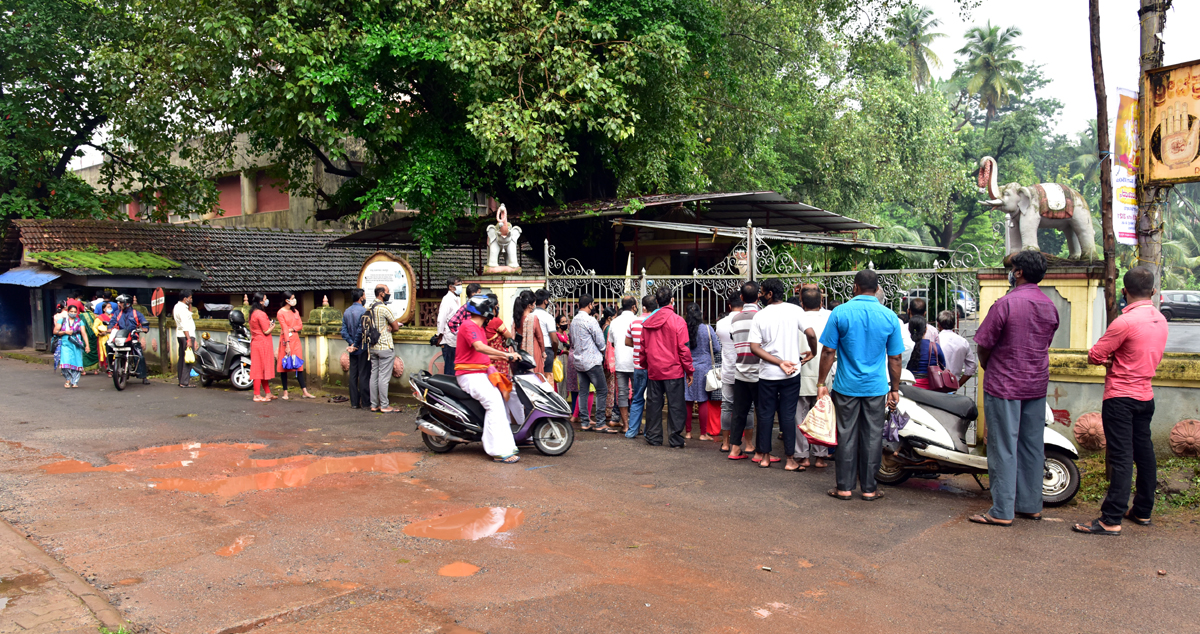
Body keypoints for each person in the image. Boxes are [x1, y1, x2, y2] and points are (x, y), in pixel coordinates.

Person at [1074, 266, 1168, 536]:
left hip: (1120, 398)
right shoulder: (1160, 319)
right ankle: (1142, 510)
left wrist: (1110, 361)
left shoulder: (1124, 322)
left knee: (1122, 457)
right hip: (1145, 396)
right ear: (1153, 291)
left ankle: (1111, 518)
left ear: (1124, 291)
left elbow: (1095, 355)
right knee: (1145, 454)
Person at [969, 251, 1059, 526]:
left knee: (1003, 447)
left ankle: (1002, 511)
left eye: (1012, 268)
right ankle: (1030, 505)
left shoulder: (1005, 304)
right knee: (1032, 446)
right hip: (1036, 384)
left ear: (1018, 273)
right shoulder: (1049, 306)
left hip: (1005, 384)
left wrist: (989, 365)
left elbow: (984, 344)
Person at [817, 269, 904, 501]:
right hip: (876, 388)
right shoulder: (889, 316)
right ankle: (869, 489)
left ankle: (844, 488)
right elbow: (895, 357)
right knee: (873, 436)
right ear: (877, 289)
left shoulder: (840, 312)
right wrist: (894, 389)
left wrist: (821, 382)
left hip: (846, 386)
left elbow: (828, 351)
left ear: (855, 287)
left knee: (846, 434)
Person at [749, 278, 817, 471]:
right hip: (792, 373)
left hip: (767, 375)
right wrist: (813, 352)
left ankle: (765, 457)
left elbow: (754, 347)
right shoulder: (795, 310)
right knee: (788, 415)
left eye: (762, 292)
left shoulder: (760, 316)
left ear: (770, 294)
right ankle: (790, 460)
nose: (760, 295)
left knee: (765, 415)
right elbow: (811, 334)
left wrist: (778, 362)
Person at [455, 295, 525, 463]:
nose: (494, 310)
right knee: (494, 404)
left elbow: (482, 355)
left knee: (502, 401)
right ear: (484, 310)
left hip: (480, 374)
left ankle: (507, 445)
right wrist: (505, 355)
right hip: (469, 375)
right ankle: (497, 450)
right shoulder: (468, 326)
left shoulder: (479, 328)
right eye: (492, 307)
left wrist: (506, 356)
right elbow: (479, 347)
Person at [641, 286, 693, 448]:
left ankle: (654, 437)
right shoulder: (678, 321)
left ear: (657, 301)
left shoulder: (647, 322)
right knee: (676, 405)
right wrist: (689, 370)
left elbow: (642, 348)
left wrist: (645, 365)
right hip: (673, 370)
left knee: (654, 405)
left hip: (654, 369)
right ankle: (675, 438)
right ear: (672, 300)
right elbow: (683, 348)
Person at [795, 286, 832, 468]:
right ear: (821, 302)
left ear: (801, 302)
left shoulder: (796, 318)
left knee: (800, 417)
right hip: (823, 374)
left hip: (801, 372)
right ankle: (820, 456)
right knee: (821, 416)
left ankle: (803, 456)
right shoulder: (830, 317)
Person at [727, 282, 761, 460]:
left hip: (740, 371)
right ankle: (761, 452)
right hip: (760, 372)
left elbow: (734, 340)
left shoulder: (735, 319)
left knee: (739, 412)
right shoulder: (762, 316)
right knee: (763, 413)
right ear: (759, 296)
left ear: (741, 297)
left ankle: (734, 449)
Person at [569, 294, 612, 432]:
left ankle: (585, 422)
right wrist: (604, 352)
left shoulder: (574, 320)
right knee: (602, 390)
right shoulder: (590, 320)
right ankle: (600, 423)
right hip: (592, 361)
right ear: (589, 305)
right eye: (593, 304)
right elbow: (600, 342)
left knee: (583, 391)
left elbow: (571, 340)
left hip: (579, 360)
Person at [683, 302, 721, 441]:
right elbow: (716, 348)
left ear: (686, 314)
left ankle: (688, 433)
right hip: (704, 368)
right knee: (702, 401)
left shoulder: (683, 329)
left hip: (688, 368)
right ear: (700, 313)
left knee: (688, 400)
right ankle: (703, 434)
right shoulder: (707, 328)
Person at [624, 294, 655, 438]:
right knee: (653, 400)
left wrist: (638, 346)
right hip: (653, 367)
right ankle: (649, 431)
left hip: (638, 366)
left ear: (643, 307)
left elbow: (627, 342)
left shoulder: (634, 322)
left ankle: (631, 431)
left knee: (637, 398)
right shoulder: (656, 321)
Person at [275, 291, 315, 399]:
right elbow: (284, 328)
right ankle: (285, 392)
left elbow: (300, 325)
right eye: (292, 298)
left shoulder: (295, 311)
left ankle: (304, 391)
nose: (294, 300)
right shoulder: (280, 313)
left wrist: (292, 329)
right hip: (285, 341)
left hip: (295, 340)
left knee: (298, 365)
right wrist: (287, 345)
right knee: (284, 366)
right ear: (286, 300)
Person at [368, 285, 401, 413]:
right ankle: (384, 405)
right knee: (383, 378)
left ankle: (374, 404)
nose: (389, 293)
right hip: (385, 347)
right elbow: (396, 327)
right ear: (381, 293)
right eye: (387, 292)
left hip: (372, 346)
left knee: (374, 376)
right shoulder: (384, 308)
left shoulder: (369, 307)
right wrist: (391, 327)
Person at [715, 292, 741, 452]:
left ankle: (725, 443)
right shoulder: (750, 320)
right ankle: (749, 443)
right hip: (746, 369)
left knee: (726, 406)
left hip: (728, 370)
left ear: (729, 306)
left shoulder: (721, 324)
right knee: (748, 408)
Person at [339, 289, 372, 409]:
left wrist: (351, 343)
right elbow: (361, 330)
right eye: (364, 295)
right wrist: (356, 344)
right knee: (363, 374)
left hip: (352, 348)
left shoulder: (347, 311)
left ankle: (354, 402)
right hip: (362, 347)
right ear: (361, 297)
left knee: (353, 375)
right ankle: (365, 402)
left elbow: (343, 331)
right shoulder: (364, 311)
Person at [610, 296, 638, 433]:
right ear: (633, 307)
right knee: (637, 394)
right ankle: (634, 425)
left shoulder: (614, 322)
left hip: (620, 362)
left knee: (622, 393)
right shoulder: (637, 320)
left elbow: (612, 343)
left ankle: (626, 425)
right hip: (636, 362)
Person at [112, 295, 151, 384]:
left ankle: (143, 376)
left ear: (127, 303)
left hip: (133, 338)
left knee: (139, 355)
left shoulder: (136, 313)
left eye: (121, 302)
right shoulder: (117, 313)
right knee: (108, 346)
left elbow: (143, 322)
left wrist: (145, 328)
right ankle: (110, 366)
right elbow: (112, 322)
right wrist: (109, 328)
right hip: (121, 338)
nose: (119, 304)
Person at [935, 310, 977, 389]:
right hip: (953, 385)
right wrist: (958, 384)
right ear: (954, 325)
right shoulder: (963, 342)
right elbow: (972, 366)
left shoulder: (935, 340)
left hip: (936, 384)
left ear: (938, 325)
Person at [248, 293, 277, 402]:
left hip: (256, 342)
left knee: (262, 368)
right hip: (262, 344)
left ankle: (268, 393)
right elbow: (266, 331)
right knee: (259, 369)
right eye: (265, 299)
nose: (266, 300)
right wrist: (273, 326)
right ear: (260, 301)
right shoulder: (260, 314)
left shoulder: (253, 313)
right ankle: (256, 395)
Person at [905, 315, 947, 390]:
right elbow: (943, 365)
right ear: (926, 329)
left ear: (909, 329)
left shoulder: (906, 346)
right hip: (930, 386)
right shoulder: (934, 347)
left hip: (908, 385)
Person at [53, 304, 89, 388]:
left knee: (77, 362)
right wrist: (65, 332)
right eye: (71, 311)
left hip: (77, 344)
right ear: (68, 311)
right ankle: (68, 379)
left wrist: (87, 345)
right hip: (65, 344)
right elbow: (55, 331)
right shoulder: (62, 320)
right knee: (65, 362)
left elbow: (84, 333)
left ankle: (75, 381)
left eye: (74, 312)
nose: (73, 313)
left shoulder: (80, 321)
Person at [518, 292, 547, 382]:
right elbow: (540, 337)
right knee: (537, 377)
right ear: (529, 305)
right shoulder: (533, 318)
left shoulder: (517, 317)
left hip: (520, 350)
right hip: (533, 350)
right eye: (534, 303)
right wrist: (543, 352)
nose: (534, 306)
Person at [436, 277, 462, 374]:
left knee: (455, 367)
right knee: (450, 368)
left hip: (456, 337)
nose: (460, 287)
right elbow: (441, 319)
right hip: (448, 338)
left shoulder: (457, 299)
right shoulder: (447, 299)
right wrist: (440, 334)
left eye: (461, 285)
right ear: (451, 287)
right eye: (458, 285)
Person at [533, 290, 558, 388]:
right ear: (545, 301)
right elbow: (554, 340)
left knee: (535, 377)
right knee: (547, 380)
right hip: (547, 349)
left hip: (533, 349)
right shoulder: (548, 317)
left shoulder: (530, 314)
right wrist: (554, 353)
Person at [174, 290, 198, 388]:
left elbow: (189, 315)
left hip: (180, 335)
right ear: (185, 299)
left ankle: (181, 379)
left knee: (182, 358)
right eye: (190, 298)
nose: (191, 299)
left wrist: (189, 304)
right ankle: (184, 382)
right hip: (186, 335)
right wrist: (189, 340)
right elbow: (185, 325)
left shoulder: (178, 306)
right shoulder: (182, 309)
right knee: (188, 359)